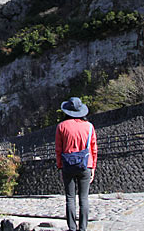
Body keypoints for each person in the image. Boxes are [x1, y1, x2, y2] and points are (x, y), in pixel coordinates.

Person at [55, 97, 97, 231]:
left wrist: (60, 167)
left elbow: (58, 149)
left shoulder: (61, 126)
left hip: (68, 165)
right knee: (84, 198)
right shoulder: (89, 127)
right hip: (85, 165)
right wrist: (93, 168)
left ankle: (72, 228)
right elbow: (94, 149)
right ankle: (83, 227)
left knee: (70, 198)